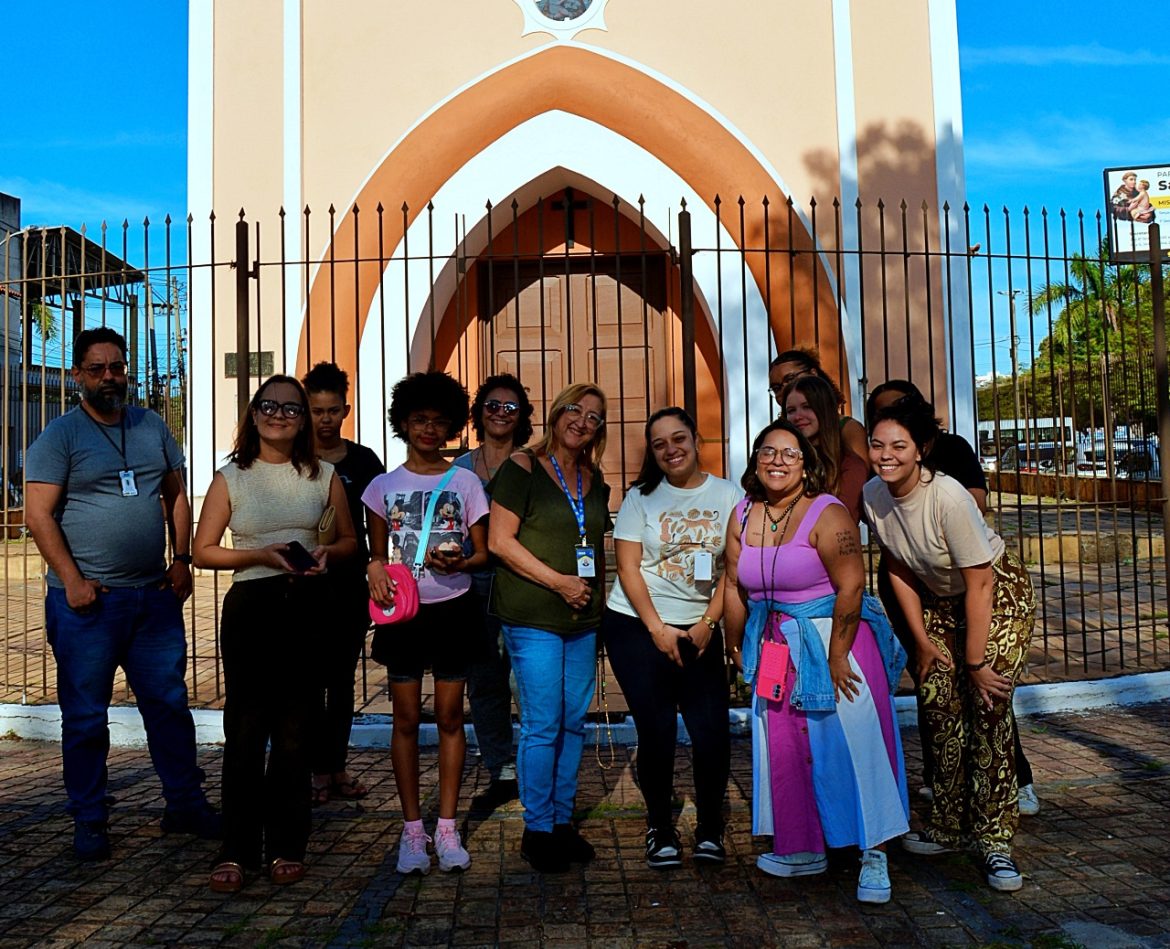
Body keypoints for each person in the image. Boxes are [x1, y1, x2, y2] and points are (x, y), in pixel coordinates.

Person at [25, 327, 221, 862]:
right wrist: (72, 579)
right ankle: (89, 820)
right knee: (86, 717)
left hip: (153, 599)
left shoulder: (151, 424)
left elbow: (176, 495)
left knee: (169, 707)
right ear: (77, 376)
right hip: (89, 604)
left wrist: (181, 559)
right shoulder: (60, 436)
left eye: (117, 367)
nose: (110, 377)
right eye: (97, 369)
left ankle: (184, 804)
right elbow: (38, 513)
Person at [722, 419, 908, 904]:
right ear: (755, 460)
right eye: (768, 451)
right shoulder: (742, 513)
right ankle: (803, 844)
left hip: (835, 639)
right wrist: (736, 645)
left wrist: (838, 655)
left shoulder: (827, 512)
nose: (777, 461)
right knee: (784, 742)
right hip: (777, 642)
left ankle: (875, 853)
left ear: (806, 465)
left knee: (854, 742)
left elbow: (851, 586)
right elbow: (734, 585)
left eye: (789, 453)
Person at [864, 397, 1035, 893]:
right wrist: (919, 642)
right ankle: (947, 824)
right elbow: (897, 564)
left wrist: (977, 662)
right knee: (937, 703)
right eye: (877, 445)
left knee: (987, 706)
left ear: (921, 450)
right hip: (938, 602)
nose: (886, 455)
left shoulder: (949, 497)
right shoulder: (874, 494)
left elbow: (980, 582)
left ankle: (995, 839)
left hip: (996, 593)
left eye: (899, 445)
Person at [193, 374, 356, 892]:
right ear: (254, 412)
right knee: (245, 731)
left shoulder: (323, 475)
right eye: (270, 405)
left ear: (305, 418)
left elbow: (351, 540)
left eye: (292, 408)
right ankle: (237, 848)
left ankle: (288, 844)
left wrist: (330, 552)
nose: (280, 415)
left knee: (295, 734)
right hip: (253, 607)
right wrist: (262, 555)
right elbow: (204, 551)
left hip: (309, 606)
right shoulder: (232, 477)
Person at [601, 407, 740, 868]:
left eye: (678, 439)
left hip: (701, 627)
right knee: (656, 731)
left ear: (696, 440)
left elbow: (734, 570)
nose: (670, 450)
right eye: (660, 444)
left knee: (711, 733)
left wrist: (709, 624)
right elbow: (627, 568)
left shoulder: (728, 495)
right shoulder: (641, 497)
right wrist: (657, 629)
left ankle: (709, 830)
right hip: (637, 626)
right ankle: (660, 827)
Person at [363, 371, 490, 875]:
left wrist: (460, 564)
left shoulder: (465, 482)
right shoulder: (381, 487)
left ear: (454, 426)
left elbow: (482, 553)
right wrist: (373, 568)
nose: (429, 431)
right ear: (403, 423)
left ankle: (447, 825)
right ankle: (412, 830)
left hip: (454, 607)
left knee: (452, 718)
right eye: (419, 420)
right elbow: (375, 554)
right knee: (406, 720)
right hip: (405, 614)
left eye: (440, 422)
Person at [488, 383, 611, 873]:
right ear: (557, 413)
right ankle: (537, 829)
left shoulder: (593, 477)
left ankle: (561, 821)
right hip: (534, 613)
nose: (582, 421)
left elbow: (596, 544)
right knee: (542, 724)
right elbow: (500, 542)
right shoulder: (521, 468)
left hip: (582, 618)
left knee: (572, 721)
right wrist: (560, 582)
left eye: (595, 417)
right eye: (575, 410)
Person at [302, 362, 385, 806]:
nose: (326, 419)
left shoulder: (364, 461)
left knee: (341, 680)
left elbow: (379, 525)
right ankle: (316, 770)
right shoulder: (292, 459)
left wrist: (378, 564)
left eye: (333, 410)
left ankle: (336, 765)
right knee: (309, 682)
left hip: (348, 586)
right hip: (301, 587)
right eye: (317, 411)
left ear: (345, 410)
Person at [452, 374, 535, 812]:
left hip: (521, 582)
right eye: (492, 404)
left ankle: (535, 763)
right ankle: (501, 767)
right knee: (484, 681)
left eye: (510, 407)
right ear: (479, 411)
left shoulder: (532, 466)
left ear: (522, 417)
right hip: (471, 583)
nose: (500, 413)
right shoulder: (459, 469)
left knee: (528, 680)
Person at [782, 374, 868, 523]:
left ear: (825, 409)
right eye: (791, 411)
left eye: (807, 407)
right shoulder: (780, 462)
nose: (797, 416)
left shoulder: (851, 465)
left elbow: (838, 522)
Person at [768, 347, 868, 463]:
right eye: (776, 388)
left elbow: (860, 474)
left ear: (813, 374)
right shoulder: (779, 434)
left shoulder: (848, 428)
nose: (785, 389)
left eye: (790, 379)